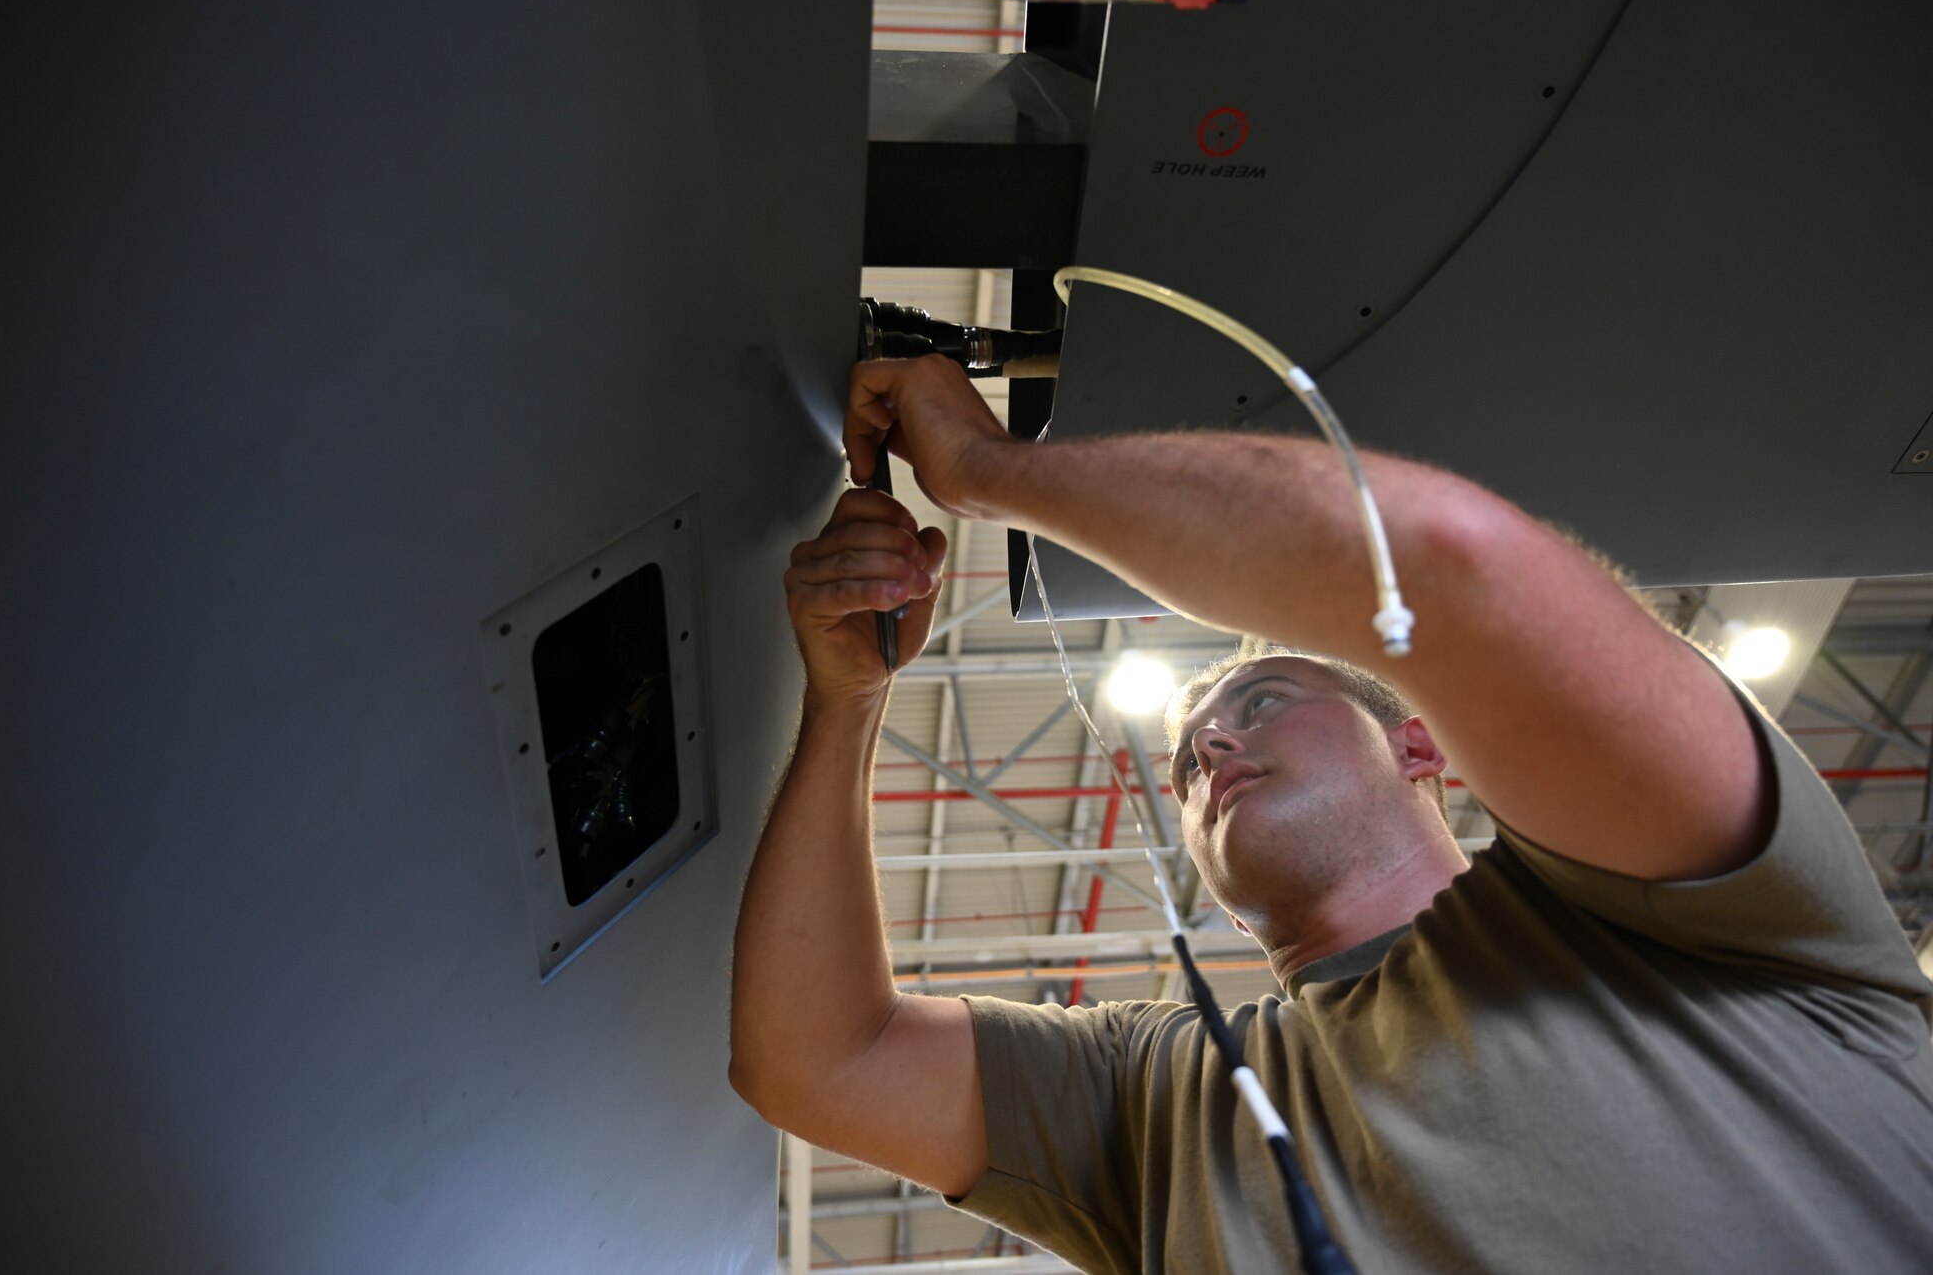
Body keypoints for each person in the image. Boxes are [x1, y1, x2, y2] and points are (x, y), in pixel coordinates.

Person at [727, 354, 1933, 1273]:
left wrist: (988, 474)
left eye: (1260, 700)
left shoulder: (1655, 907)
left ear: (1416, 740)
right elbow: (820, 1061)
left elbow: (1456, 565)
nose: (1208, 744)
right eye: (1190, 763)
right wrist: (846, 700)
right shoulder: (1159, 1096)